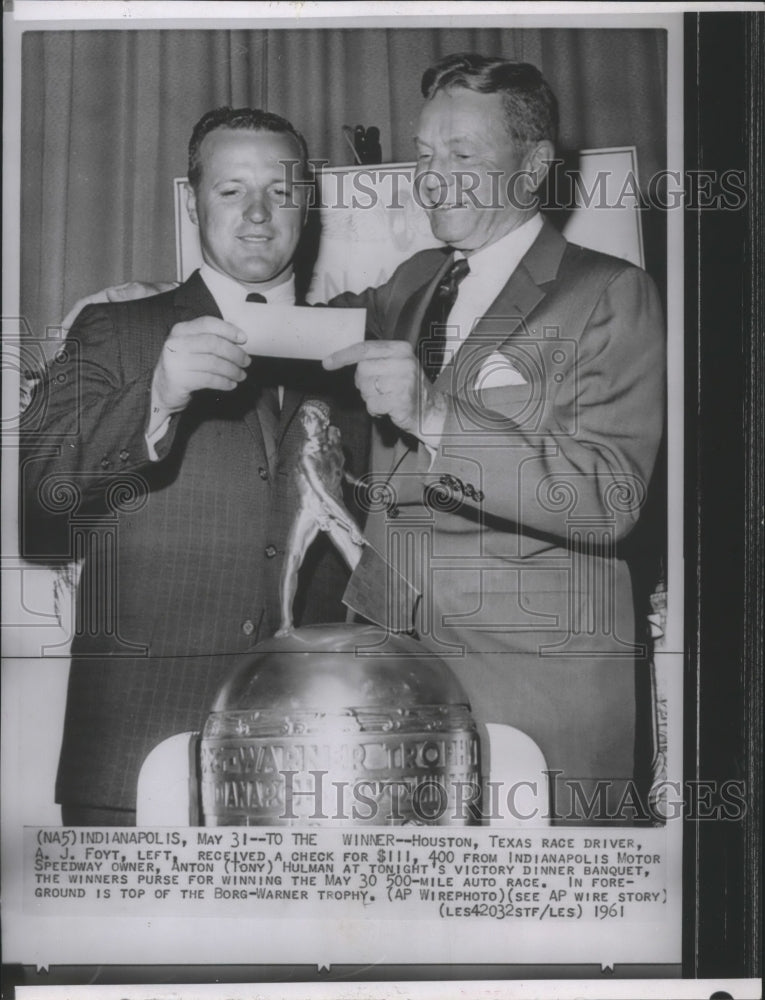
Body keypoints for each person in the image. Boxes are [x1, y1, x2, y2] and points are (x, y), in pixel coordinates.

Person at [322, 54, 665, 822]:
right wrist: (179, 306)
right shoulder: (413, 279)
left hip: (536, 691)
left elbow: (607, 497)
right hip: (395, 673)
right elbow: (318, 331)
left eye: (462, 155)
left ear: (535, 165)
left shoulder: (609, 293)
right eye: (425, 153)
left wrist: (435, 417)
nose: (432, 176)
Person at [19, 107, 366, 825]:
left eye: (280, 190)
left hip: (309, 759)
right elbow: (36, 498)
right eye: (231, 190)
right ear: (191, 202)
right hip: (137, 755)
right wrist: (156, 395)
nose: (259, 215)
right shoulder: (117, 328)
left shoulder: (356, 348)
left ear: (308, 202)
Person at [276, 399, 365, 637]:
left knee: (359, 562)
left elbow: (338, 470)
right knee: (293, 560)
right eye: (302, 417)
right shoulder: (305, 454)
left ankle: (362, 619)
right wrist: (352, 524)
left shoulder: (333, 444)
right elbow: (323, 494)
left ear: (325, 421)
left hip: (332, 507)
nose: (305, 422)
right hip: (311, 508)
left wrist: (357, 482)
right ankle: (286, 622)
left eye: (311, 417)